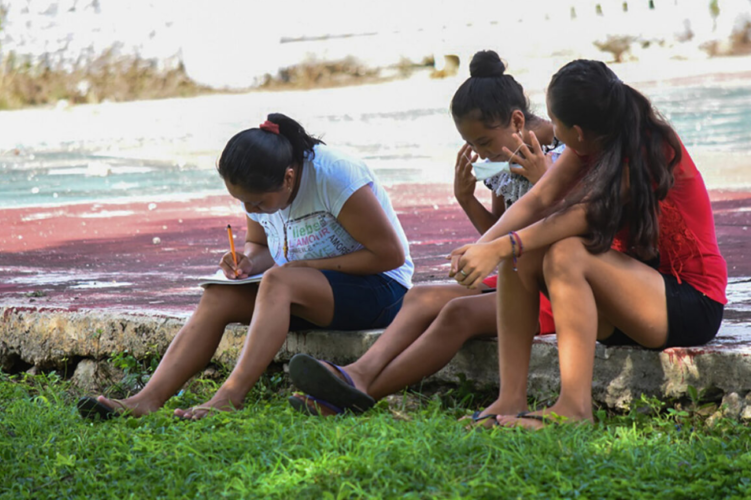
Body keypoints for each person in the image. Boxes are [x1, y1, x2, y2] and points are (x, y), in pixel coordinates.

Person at [447, 59, 727, 429]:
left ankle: (574, 410)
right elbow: (538, 200)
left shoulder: (647, 148)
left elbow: (580, 216)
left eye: (555, 122)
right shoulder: (588, 142)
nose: (551, 130)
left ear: (577, 131)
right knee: (523, 255)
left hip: (690, 304)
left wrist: (502, 246)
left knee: (566, 252)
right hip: (633, 299)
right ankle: (510, 398)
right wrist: (481, 248)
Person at [77, 113, 414, 420]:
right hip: (307, 290)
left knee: (280, 280)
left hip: (380, 290)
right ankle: (147, 399)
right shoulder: (262, 184)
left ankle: (230, 396)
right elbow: (263, 247)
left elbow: (389, 255)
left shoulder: (334, 175)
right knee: (218, 295)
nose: (252, 208)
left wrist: (306, 266)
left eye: (258, 202)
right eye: (243, 202)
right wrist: (248, 260)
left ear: (289, 177)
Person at [287, 50, 561, 416]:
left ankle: (351, 397)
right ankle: (357, 373)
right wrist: (465, 198)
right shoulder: (506, 155)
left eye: (483, 142)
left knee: (456, 314)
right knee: (420, 297)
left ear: (515, 119)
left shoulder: (560, 154)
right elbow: (498, 231)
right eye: (473, 145)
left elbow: (570, 225)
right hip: (517, 276)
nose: (480, 154)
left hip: (553, 288)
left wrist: (541, 180)